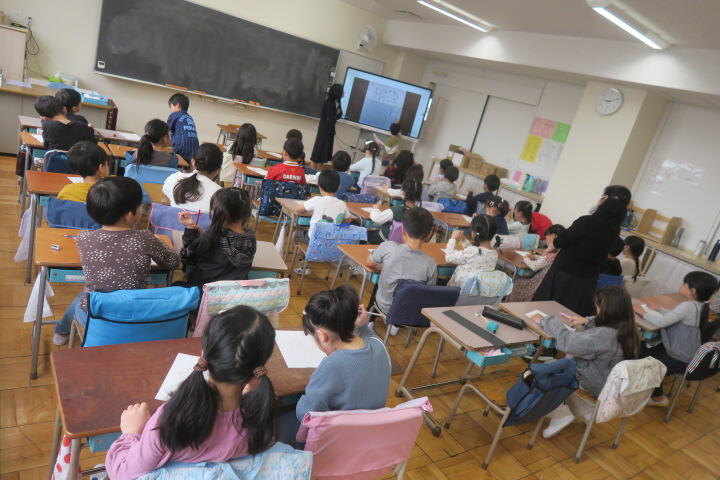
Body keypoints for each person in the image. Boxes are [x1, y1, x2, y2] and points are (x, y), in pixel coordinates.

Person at [106, 306, 277, 480]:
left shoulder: (170, 420)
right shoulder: (261, 417)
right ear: (258, 371)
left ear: (204, 353)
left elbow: (122, 473)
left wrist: (131, 433)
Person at [53, 177, 181, 345]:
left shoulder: (84, 238)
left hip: (94, 320)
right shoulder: (146, 238)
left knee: (84, 297)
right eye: (140, 206)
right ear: (129, 215)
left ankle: (61, 332)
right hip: (134, 318)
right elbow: (174, 262)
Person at [282, 285, 391, 441]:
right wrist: (362, 326)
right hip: (369, 434)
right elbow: (369, 336)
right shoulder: (379, 346)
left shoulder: (332, 364)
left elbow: (305, 413)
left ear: (322, 336)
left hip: (337, 440)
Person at [529, 285, 640, 438]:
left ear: (607, 310)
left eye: (598, 307)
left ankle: (561, 415)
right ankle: (586, 409)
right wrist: (587, 321)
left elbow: (568, 342)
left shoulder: (605, 335)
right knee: (563, 363)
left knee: (548, 369)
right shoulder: (630, 330)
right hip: (608, 382)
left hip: (592, 383)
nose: (596, 310)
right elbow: (598, 334)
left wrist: (545, 320)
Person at [533, 185, 631, 316]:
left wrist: (552, 247)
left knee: (544, 312)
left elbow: (560, 241)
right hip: (587, 282)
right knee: (569, 317)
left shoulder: (587, 221)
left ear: (605, 199)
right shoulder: (615, 230)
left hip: (564, 276)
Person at [635, 271, 719, 405]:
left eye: (684, 284)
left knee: (645, 358)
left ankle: (657, 397)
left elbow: (662, 322)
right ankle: (648, 389)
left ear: (692, 291)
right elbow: (678, 316)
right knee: (641, 349)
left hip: (678, 356)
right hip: (684, 353)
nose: (681, 285)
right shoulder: (701, 306)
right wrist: (659, 309)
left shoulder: (687, 306)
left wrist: (642, 312)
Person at [179, 188, 256, 288]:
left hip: (204, 290)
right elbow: (226, 245)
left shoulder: (211, 237)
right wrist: (204, 234)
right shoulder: (251, 238)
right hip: (232, 292)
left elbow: (187, 255)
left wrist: (189, 228)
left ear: (220, 213)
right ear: (245, 213)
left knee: (176, 284)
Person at [366, 207, 437, 316]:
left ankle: (370, 320)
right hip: (410, 312)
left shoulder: (388, 247)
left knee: (379, 285)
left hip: (385, 306)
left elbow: (369, 262)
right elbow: (427, 292)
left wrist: (385, 266)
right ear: (429, 234)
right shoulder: (431, 263)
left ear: (402, 229)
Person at [291, 169, 351, 248]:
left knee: (295, 234)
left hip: (313, 240)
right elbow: (348, 220)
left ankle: (301, 253)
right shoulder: (342, 204)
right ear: (339, 187)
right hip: (332, 242)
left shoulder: (316, 200)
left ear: (319, 187)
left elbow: (297, 210)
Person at [506, 224, 565, 302]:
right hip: (545, 283)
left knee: (516, 282)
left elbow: (535, 266)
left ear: (553, 236)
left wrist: (526, 258)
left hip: (538, 285)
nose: (546, 240)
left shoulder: (553, 254)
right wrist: (535, 257)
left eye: (547, 237)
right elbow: (544, 259)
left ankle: (508, 303)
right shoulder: (559, 252)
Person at [163, 143, 223, 212]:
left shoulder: (173, 178)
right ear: (219, 170)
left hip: (173, 219)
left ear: (193, 162)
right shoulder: (220, 195)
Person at [444, 214, 498, 288]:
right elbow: (473, 254)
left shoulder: (473, 251)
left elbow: (449, 258)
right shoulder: (494, 254)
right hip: (475, 291)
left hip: (457, 290)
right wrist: (463, 240)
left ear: (473, 233)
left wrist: (453, 238)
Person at [366, 177, 423, 244]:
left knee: (366, 233)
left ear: (403, 193)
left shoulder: (397, 210)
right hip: (404, 243)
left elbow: (377, 219)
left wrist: (375, 209)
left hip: (384, 241)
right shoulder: (420, 213)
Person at [310, 83, 343, 167]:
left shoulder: (337, 101)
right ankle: (312, 171)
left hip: (330, 130)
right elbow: (331, 117)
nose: (343, 93)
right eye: (341, 91)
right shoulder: (328, 102)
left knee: (323, 155)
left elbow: (340, 114)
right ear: (337, 92)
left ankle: (319, 171)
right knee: (317, 152)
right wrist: (335, 115)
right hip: (324, 130)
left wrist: (335, 115)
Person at [167, 93, 199, 162]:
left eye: (171, 106)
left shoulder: (174, 115)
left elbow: (163, 130)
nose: (170, 109)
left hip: (180, 151)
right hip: (195, 153)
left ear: (178, 105)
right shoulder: (190, 118)